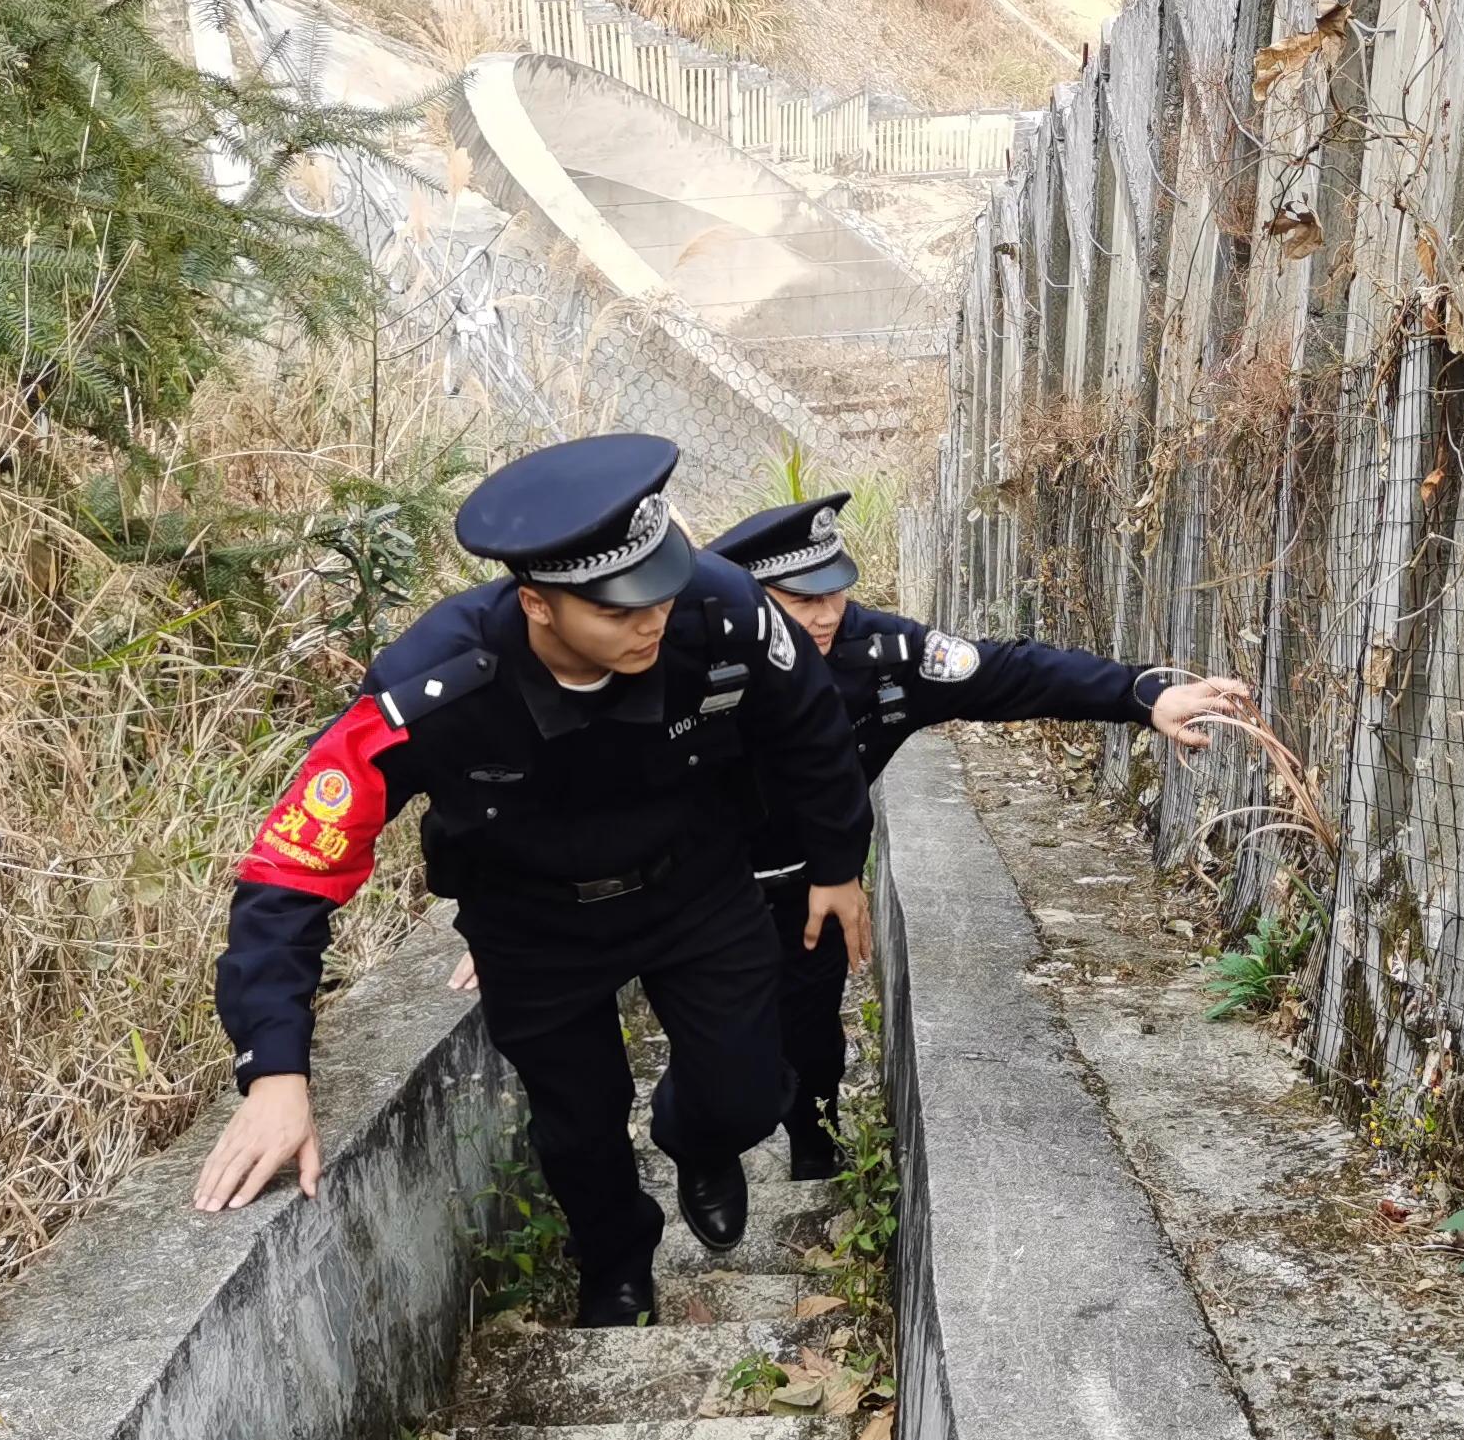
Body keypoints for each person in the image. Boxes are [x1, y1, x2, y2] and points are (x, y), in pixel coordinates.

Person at [193, 434, 872, 1326]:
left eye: (660, 590)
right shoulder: (431, 682)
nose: (653, 620)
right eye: (619, 609)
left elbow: (810, 723)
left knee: (745, 1091)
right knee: (579, 1125)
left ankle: (698, 1139)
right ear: (537, 603)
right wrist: (274, 1067)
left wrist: (835, 863)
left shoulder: (717, 606)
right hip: (533, 924)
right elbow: (294, 867)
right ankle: (616, 1265)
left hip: (695, 886)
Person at [708, 492, 1250, 1168]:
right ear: (747, 597)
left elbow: (1009, 673)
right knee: (721, 1052)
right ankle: (707, 1148)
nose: (823, 616)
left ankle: (814, 1144)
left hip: (815, 884)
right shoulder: (694, 655)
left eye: (833, 594)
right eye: (800, 600)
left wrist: (1142, 695)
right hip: (700, 886)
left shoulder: (881, 653)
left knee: (810, 1030)